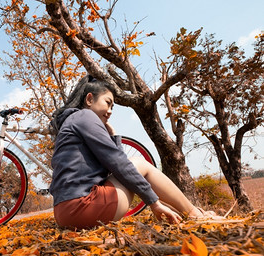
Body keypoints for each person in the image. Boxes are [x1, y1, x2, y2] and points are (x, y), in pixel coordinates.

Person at [49, 74, 218, 230]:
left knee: (133, 165)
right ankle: (194, 213)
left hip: (65, 214)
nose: (110, 111)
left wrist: (113, 137)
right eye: (108, 103)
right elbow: (118, 163)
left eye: (113, 107)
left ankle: (189, 212)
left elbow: (111, 166)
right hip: (83, 208)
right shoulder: (85, 116)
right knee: (139, 163)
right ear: (89, 99)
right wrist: (153, 202)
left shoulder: (72, 121)